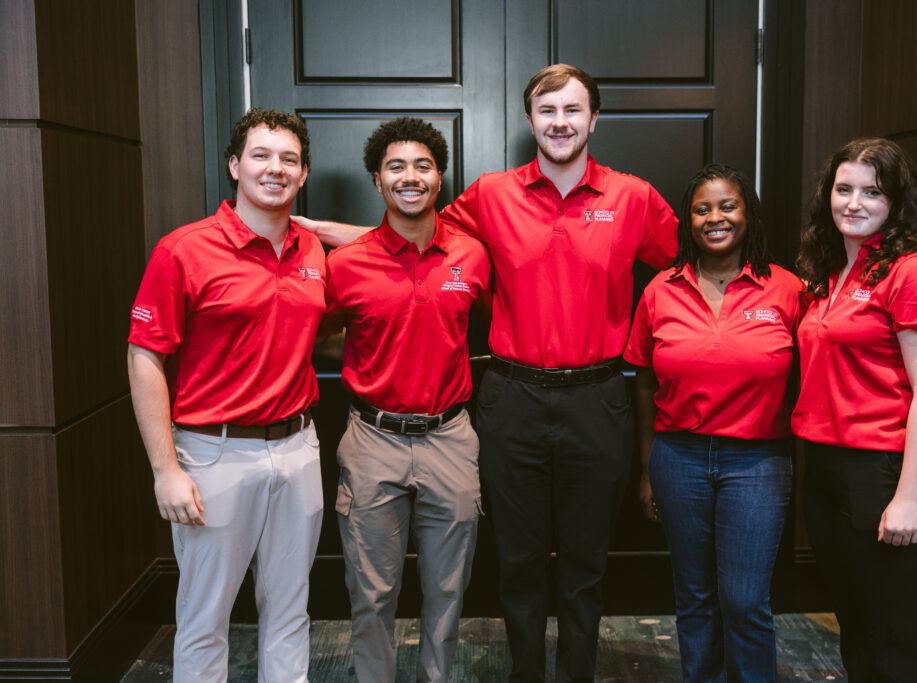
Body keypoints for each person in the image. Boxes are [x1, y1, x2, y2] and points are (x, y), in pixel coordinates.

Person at [298, 64, 677, 683]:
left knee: (587, 564)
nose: (560, 122)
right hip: (513, 397)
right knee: (519, 563)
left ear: (594, 119)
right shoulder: (492, 194)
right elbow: (414, 240)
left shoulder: (632, 198)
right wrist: (338, 237)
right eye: (547, 111)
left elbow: (681, 269)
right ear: (530, 121)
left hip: (599, 397)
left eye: (572, 110)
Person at [126, 109, 325, 682]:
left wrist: (327, 230)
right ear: (235, 165)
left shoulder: (314, 252)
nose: (275, 168)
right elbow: (144, 357)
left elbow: (392, 241)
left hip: (297, 447)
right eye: (261, 155)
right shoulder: (184, 249)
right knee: (205, 614)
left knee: (290, 607)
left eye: (289, 159)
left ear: (303, 173)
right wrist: (165, 469)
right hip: (213, 453)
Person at [319, 117, 490, 682]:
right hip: (372, 439)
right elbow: (313, 333)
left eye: (422, 165)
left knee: (448, 589)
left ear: (439, 177)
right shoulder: (345, 264)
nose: (410, 177)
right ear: (377, 180)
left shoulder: (473, 256)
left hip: (450, 437)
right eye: (396, 166)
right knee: (371, 593)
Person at [624, 164, 801, 681]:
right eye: (702, 209)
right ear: (689, 221)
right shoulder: (661, 289)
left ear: (749, 215)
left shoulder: (787, 289)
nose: (715, 217)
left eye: (728, 206)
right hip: (678, 459)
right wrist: (646, 468)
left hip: (759, 461)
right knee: (695, 596)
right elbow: (641, 383)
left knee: (745, 600)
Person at [792, 138, 917, 682]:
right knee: (856, 625)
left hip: (883, 472)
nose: (853, 203)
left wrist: (908, 497)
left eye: (872, 193)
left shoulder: (911, 273)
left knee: (895, 635)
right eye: (844, 189)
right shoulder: (831, 271)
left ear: (896, 203)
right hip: (827, 470)